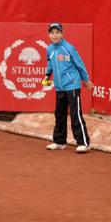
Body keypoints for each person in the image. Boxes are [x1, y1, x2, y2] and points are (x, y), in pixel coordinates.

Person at [42, 22, 94, 153]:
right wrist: (47, 75)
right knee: (59, 114)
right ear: (49, 34)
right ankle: (59, 141)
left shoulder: (69, 48)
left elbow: (80, 64)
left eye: (57, 32)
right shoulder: (49, 49)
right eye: (52, 33)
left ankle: (84, 143)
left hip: (72, 86)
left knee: (75, 114)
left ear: (62, 34)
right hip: (59, 87)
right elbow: (50, 63)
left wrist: (85, 80)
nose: (55, 35)